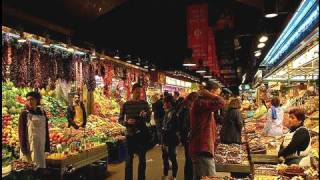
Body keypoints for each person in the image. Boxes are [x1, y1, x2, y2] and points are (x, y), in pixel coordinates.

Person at [189, 81, 226, 180]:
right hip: (202, 147)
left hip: (202, 146)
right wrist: (207, 93)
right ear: (212, 92)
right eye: (217, 93)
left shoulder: (203, 104)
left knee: (198, 177)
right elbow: (221, 102)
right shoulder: (201, 103)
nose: (217, 96)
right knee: (209, 177)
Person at [119, 83, 151, 180]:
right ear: (132, 91)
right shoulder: (126, 104)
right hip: (130, 135)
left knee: (142, 160)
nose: (139, 94)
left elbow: (148, 120)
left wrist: (145, 116)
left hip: (141, 135)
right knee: (128, 161)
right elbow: (120, 120)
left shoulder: (145, 104)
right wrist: (126, 122)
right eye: (137, 92)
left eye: (140, 92)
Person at [18, 91, 50, 169]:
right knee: (30, 170)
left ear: (37, 100)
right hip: (29, 147)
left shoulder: (42, 112)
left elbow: (46, 130)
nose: (30, 101)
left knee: (40, 169)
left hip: (40, 146)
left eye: (32, 99)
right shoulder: (24, 113)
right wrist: (23, 149)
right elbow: (21, 132)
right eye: (28, 100)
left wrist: (47, 147)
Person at [177, 92, 199, 180]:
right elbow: (187, 125)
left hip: (185, 137)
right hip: (188, 137)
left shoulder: (184, 106)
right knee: (190, 160)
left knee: (188, 159)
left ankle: (188, 177)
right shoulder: (188, 109)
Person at [161, 95, 180, 180]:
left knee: (172, 157)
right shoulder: (167, 112)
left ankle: (174, 176)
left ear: (168, 103)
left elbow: (174, 128)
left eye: (164, 103)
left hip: (171, 139)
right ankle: (165, 175)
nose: (163, 105)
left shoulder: (174, 113)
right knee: (165, 158)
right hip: (166, 139)